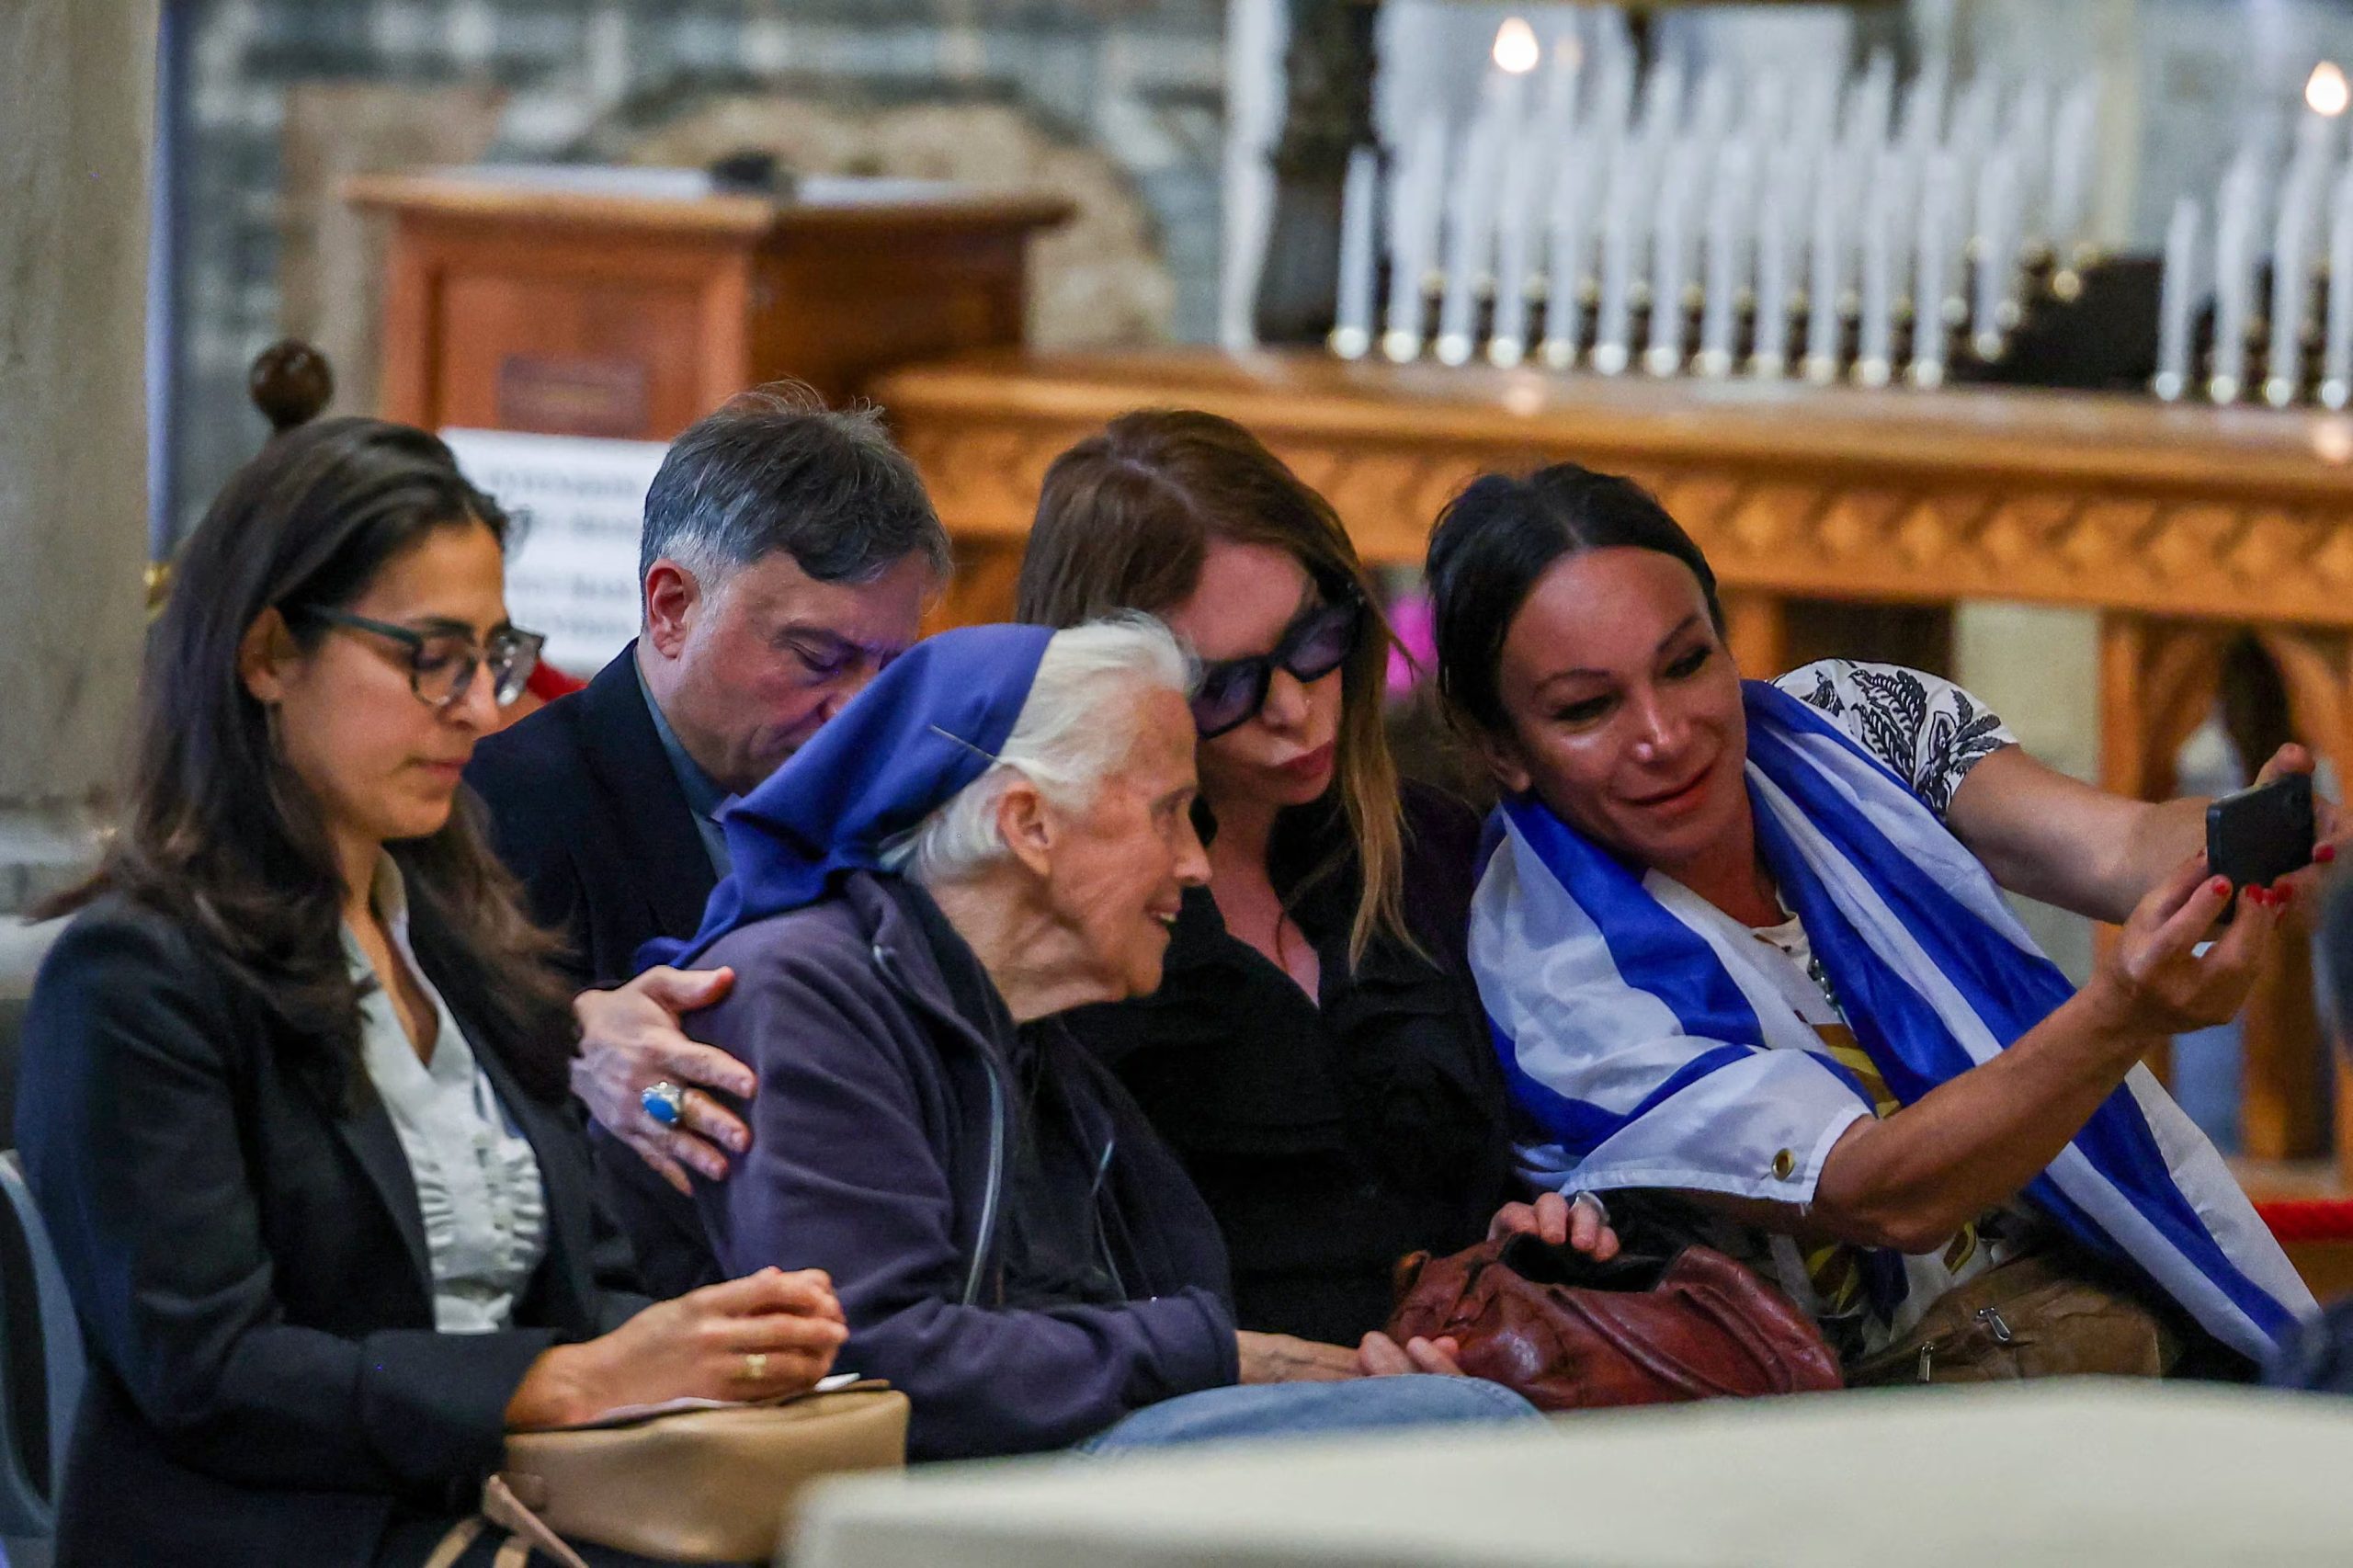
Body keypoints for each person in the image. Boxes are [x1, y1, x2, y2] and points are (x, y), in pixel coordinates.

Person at [17, 419, 846, 1567]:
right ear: (267, 652)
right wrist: (566, 1379)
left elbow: (587, 1276)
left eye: (494, 656)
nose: (479, 707)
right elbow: (209, 1372)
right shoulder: (133, 973)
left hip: (504, 1503)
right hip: (269, 1531)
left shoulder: (460, 935)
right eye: (430, 657)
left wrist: (708, 1345)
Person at [1423, 460, 2323, 1372]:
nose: (1664, 733)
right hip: (1861, 1405)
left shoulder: (1845, 720)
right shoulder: (1556, 975)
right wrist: (2121, 1013)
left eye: (1687, 662)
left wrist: (2246, 841)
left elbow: (2113, 848)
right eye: (1588, 707)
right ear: (1501, 746)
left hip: (2091, 1281)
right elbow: (1881, 1192)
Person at [641, 616, 1547, 1459]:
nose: (1193, 866)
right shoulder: (801, 991)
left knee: (1452, 1437)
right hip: (906, 1504)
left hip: (1032, 1476)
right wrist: (1232, 1360)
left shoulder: (1040, 1044)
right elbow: (869, 1353)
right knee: (1464, 1428)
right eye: (1166, 813)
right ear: (1027, 822)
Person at [1010, 409, 1605, 1346]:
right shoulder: (1051, 915)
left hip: (1455, 1370)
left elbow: (1472, 1181)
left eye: (1314, 638)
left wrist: (1513, 1232)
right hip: (1212, 1416)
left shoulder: (1430, 848)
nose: (1292, 709)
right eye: (1221, 685)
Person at [467, 388, 949, 1290]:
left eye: (888, 672)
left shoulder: (905, 805)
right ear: (672, 606)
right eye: (815, 657)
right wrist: (566, 1045)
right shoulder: (508, 808)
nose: (854, 713)